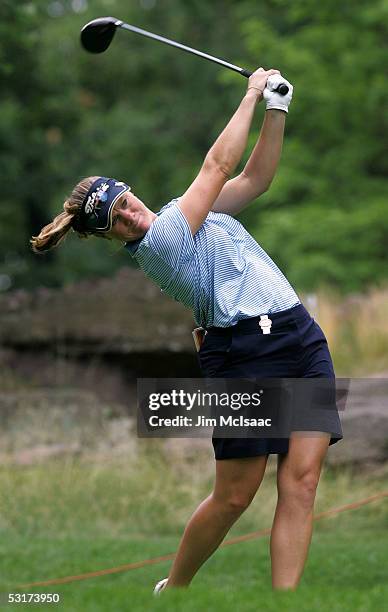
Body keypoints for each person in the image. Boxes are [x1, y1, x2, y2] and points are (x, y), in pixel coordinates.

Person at [31, 67, 343, 592]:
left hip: (300, 337)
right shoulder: (162, 244)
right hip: (244, 355)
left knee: (303, 480)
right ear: (110, 238)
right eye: (116, 222)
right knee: (235, 496)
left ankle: (287, 604)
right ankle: (173, 589)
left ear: (129, 192)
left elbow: (254, 180)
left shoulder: (185, 213)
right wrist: (250, 94)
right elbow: (220, 164)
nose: (130, 217)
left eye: (124, 203)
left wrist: (276, 109)